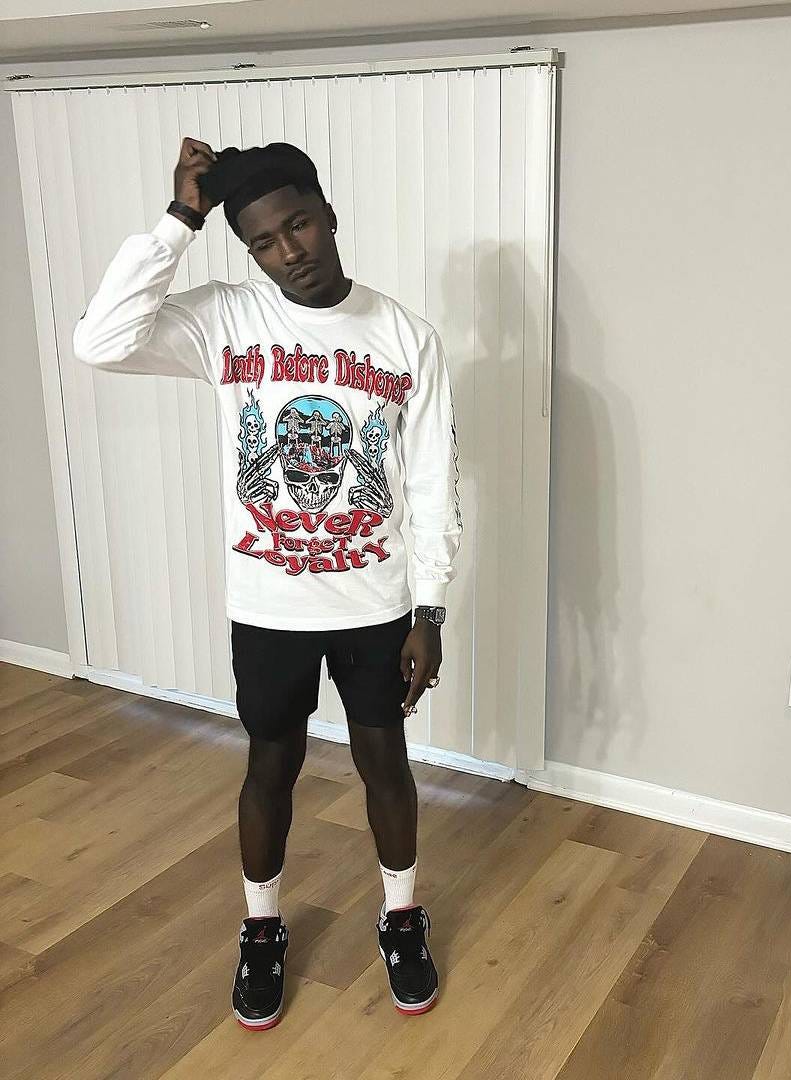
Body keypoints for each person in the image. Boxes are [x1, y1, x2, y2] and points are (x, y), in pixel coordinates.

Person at [72, 137, 463, 1030]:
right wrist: (180, 219)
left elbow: (433, 481)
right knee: (270, 765)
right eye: (263, 241)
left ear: (329, 214)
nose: (290, 251)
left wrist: (431, 607)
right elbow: (100, 340)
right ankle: (261, 929)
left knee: (385, 763)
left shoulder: (406, 337)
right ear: (247, 249)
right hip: (270, 606)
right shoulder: (225, 319)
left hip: (376, 602)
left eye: (299, 225)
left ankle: (402, 916)